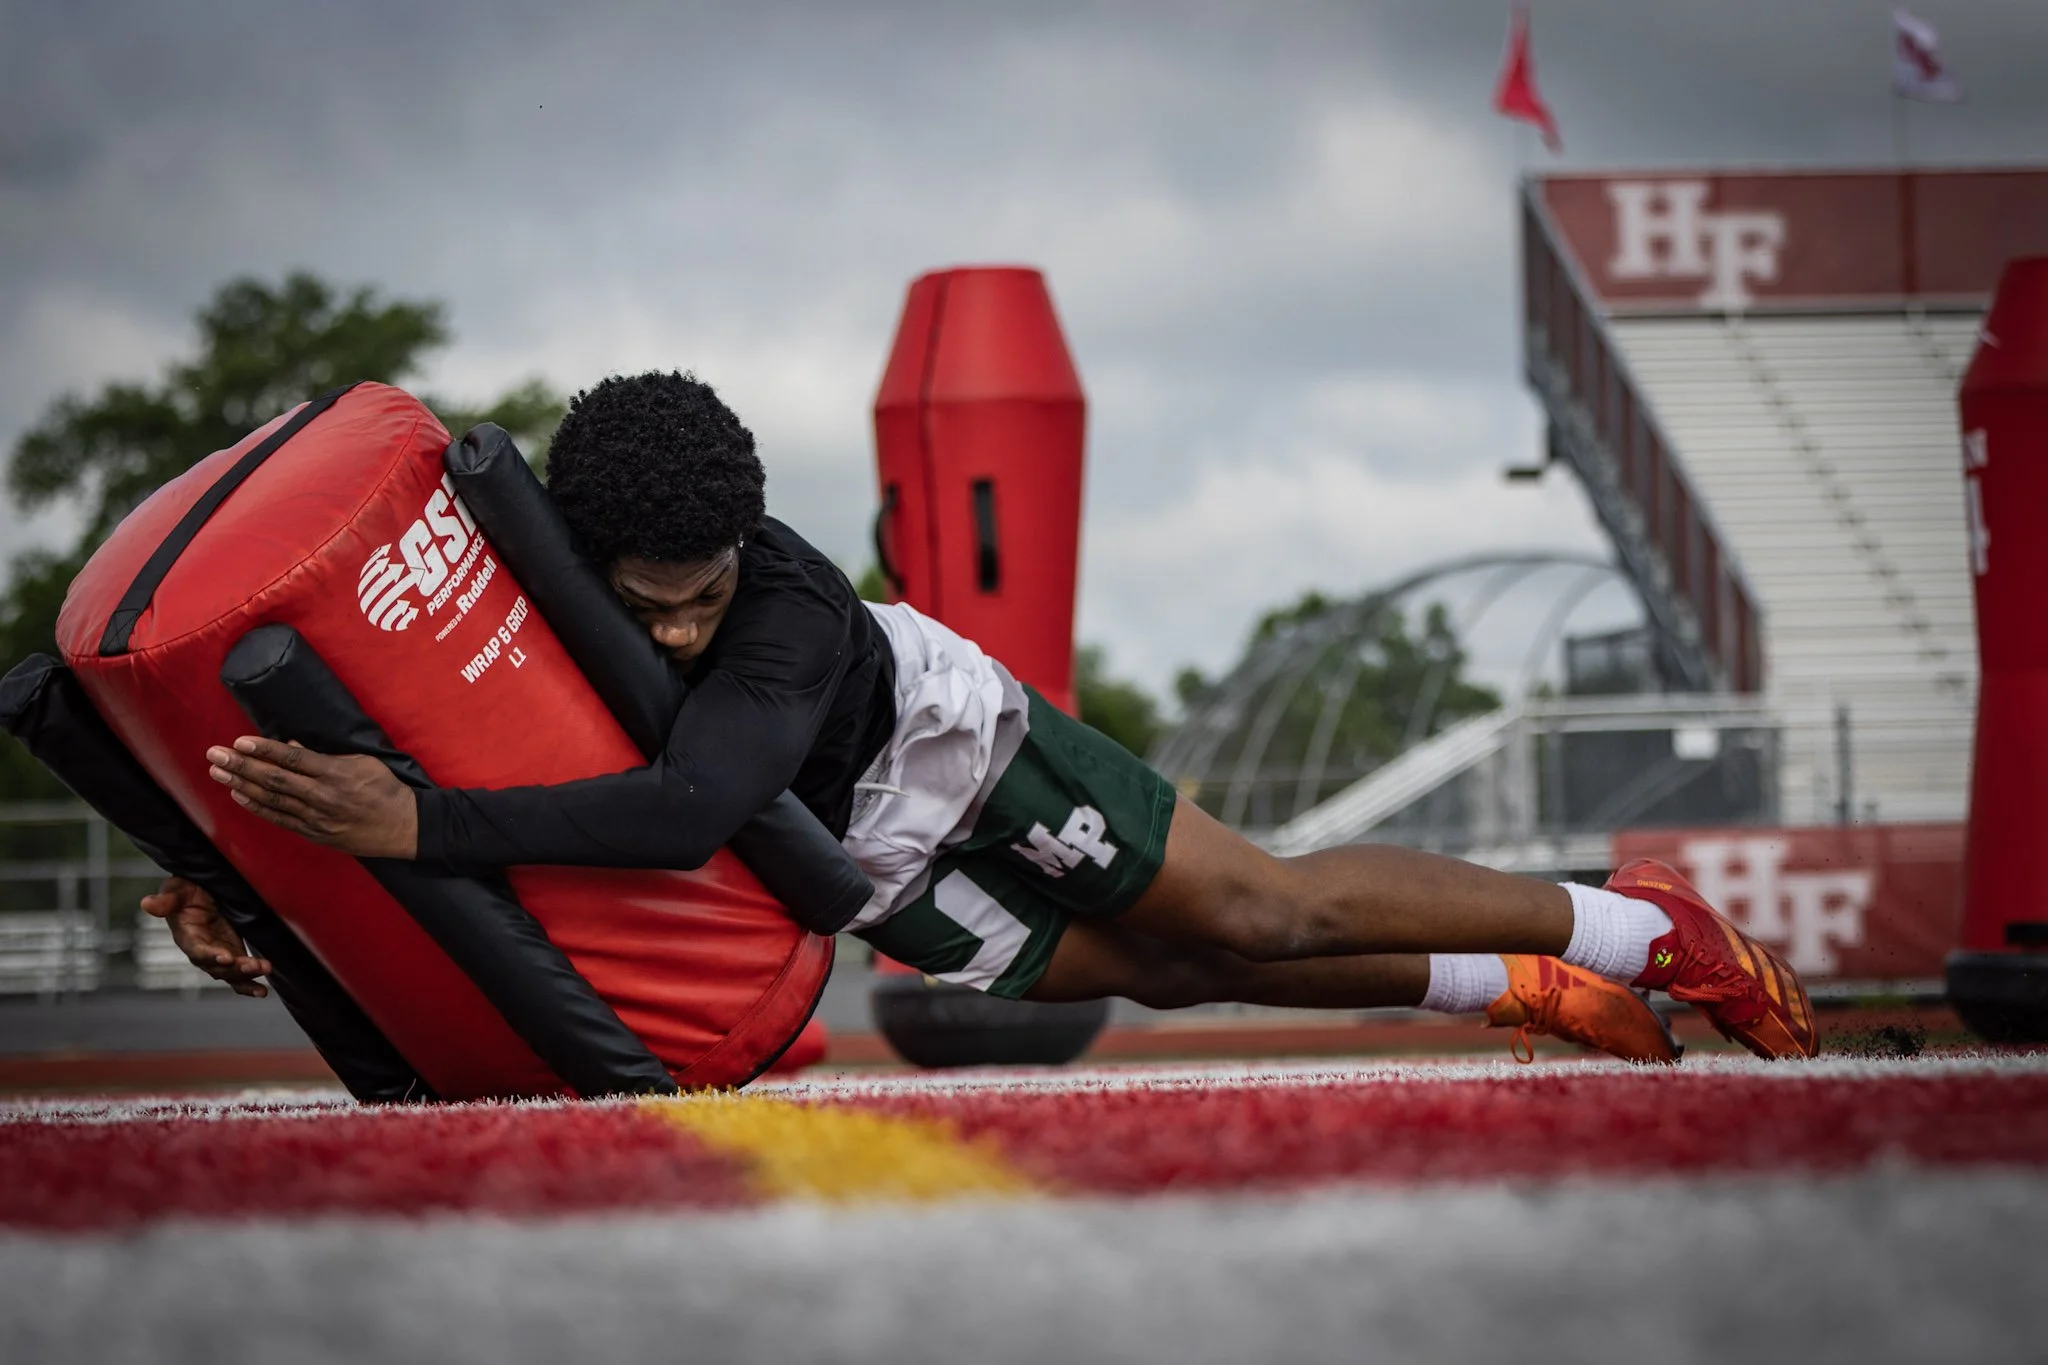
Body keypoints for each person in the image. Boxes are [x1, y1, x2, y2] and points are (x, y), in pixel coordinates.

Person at [162, 371, 1816, 1064]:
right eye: (643, 595)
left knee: (1262, 901)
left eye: (702, 585)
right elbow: (415, 720)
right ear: (575, 555)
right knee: (1187, 973)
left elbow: (679, 806)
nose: (677, 617)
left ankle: (1635, 923)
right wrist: (248, 888)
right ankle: (1527, 984)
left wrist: (420, 833)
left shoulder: (787, 613)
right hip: (844, 848)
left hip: (944, 748)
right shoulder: (530, 595)